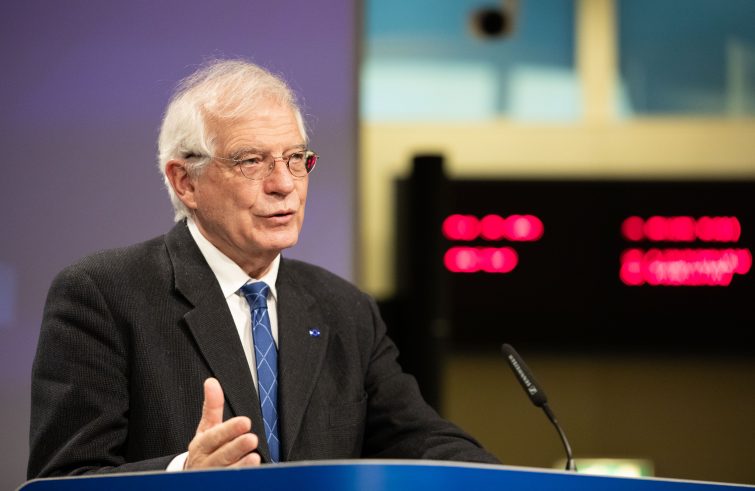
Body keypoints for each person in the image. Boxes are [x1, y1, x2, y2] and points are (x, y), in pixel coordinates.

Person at [28, 59, 498, 478]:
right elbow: (63, 478)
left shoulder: (344, 308)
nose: (284, 185)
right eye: (251, 161)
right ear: (185, 181)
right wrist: (182, 475)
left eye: (295, 159)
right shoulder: (102, 295)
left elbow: (421, 441)